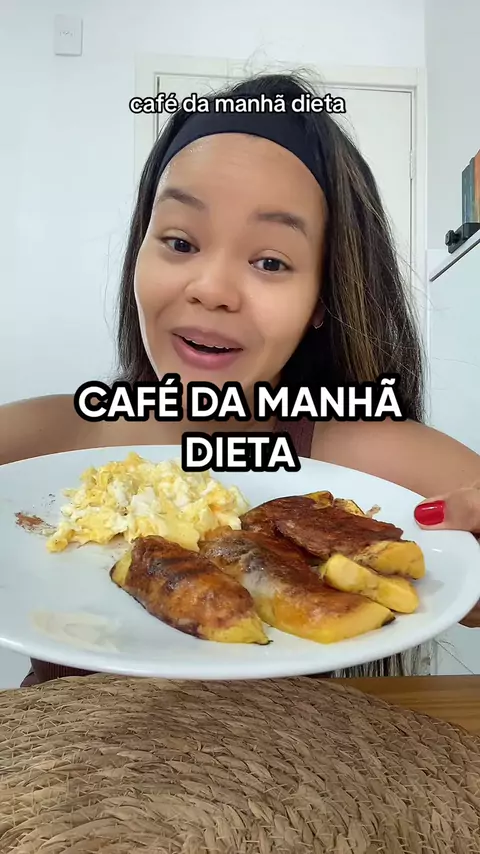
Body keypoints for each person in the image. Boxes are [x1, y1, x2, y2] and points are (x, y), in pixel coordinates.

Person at [1, 72, 479, 686]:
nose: (212, 289)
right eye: (179, 242)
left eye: (270, 261)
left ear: (321, 298)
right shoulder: (52, 438)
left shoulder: (375, 458)